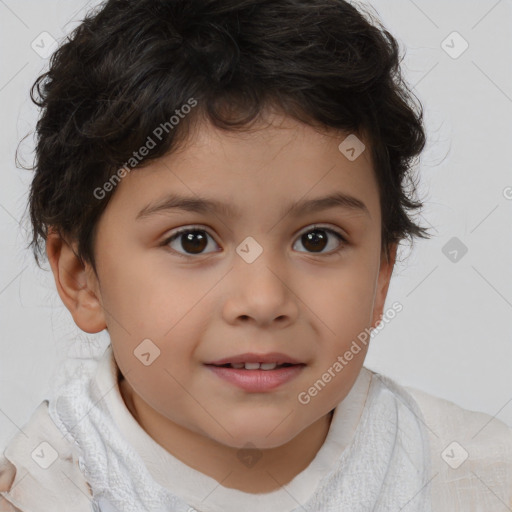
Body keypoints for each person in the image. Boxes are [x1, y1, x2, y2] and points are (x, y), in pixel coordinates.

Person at [1, 0, 511, 510]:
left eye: (318, 239)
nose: (264, 300)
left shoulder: (478, 478)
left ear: (382, 274)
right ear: (80, 278)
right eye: (193, 240)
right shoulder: (37, 492)